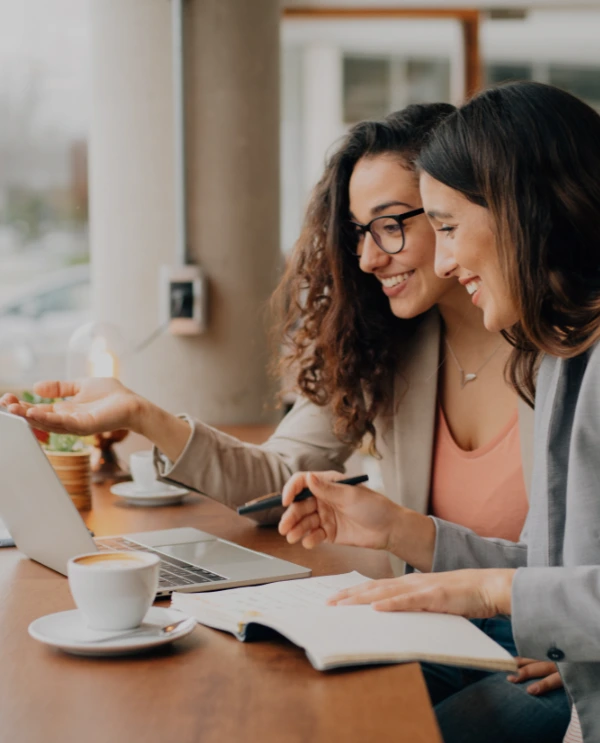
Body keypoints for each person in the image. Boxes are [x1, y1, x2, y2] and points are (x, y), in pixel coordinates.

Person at [1, 104, 567, 737]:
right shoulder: (392, 346)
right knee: (283, 712)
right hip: (431, 623)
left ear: (458, 205)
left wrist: (571, 640)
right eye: (358, 232)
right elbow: (279, 478)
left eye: (391, 226)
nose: (368, 259)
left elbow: (578, 582)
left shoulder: (564, 354)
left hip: (542, 650)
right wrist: (142, 414)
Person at [279, 81, 600, 741]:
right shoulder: (568, 355)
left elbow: (544, 591)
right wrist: (402, 529)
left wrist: (492, 595)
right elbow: (550, 570)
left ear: (523, 209)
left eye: (447, 227)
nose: (446, 260)